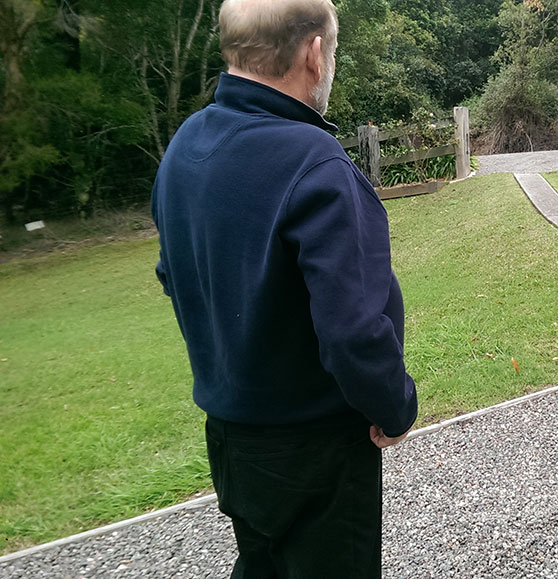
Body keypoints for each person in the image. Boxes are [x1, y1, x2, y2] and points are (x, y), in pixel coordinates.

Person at [150, 0, 417, 576]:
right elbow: (352, 328)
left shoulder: (185, 147)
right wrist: (393, 406)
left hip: (231, 440)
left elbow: (175, 276)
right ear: (315, 53)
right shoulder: (315, 163)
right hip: (315, 447)